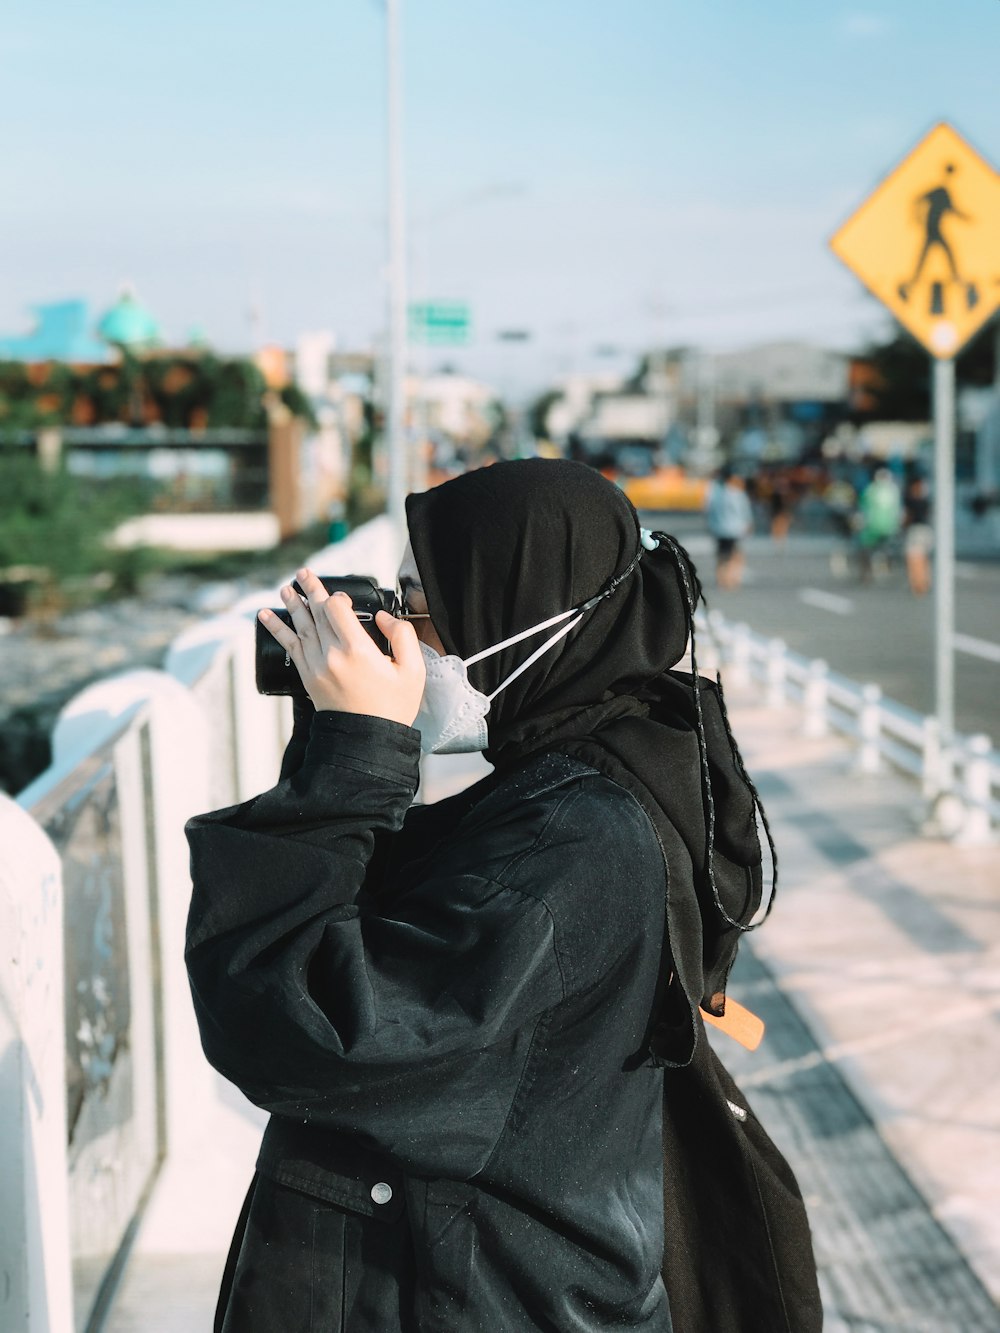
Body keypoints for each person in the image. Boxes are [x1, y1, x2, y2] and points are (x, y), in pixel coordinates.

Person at [184, 459, 821, 1332]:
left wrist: (355, 750)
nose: (395, 634)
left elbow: (296, 1025)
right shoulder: (617, 772)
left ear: (521, 616)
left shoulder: (571, 843)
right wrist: (340, 741)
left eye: (417, 604)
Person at [705, 467, 754, 589]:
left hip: (719, 529)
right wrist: (748, 524)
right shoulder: (738, 494)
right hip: (734, 529)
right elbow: (744, 512)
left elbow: (710, 510)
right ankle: (732, 579)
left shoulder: (716, 494)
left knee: (722, 554)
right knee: (735, 554)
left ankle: (721, 578)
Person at [856, 467, 902, 582]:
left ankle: (867, 572)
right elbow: (898, 510)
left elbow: (863, 507)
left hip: (872, 527)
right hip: (890, 527)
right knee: (887, 549)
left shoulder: (871, 489)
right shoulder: (894, 490)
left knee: (866, 548)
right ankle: (888, 568)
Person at [902, 474, 933, 596]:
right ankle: (924, 582)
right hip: (926, 530)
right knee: (923, 558)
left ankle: (917, 585)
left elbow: (908, 517)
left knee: (913, 558)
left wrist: (903, 527)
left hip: (915, 530)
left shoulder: (910, 499)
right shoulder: (926, 500)